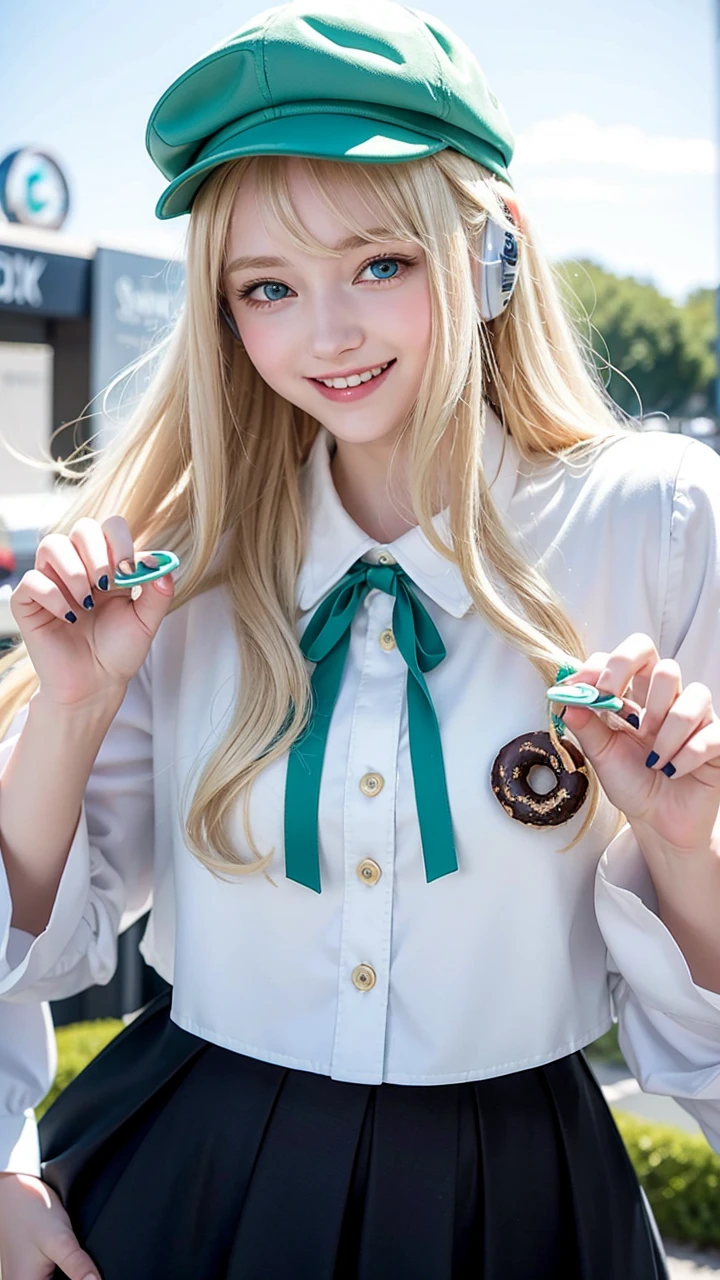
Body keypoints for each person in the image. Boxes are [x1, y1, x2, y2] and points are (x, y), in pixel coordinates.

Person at [0, 2, 720, 1276]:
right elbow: (47, 940)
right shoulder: (178, 557)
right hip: (184, 1173)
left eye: (379, 263)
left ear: (490, 250)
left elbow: (702, 1043)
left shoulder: (656, 519)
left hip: (520, 1204)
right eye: (267, 287)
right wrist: (68, 707)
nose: (327, 334)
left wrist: (686, 844)